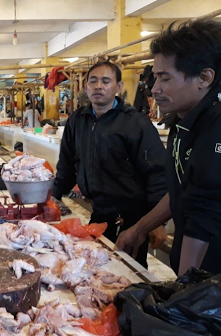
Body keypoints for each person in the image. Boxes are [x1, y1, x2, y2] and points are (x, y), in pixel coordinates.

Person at [116, 20, 221, 275]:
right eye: (155, 77)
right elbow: (181, 190)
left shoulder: (215, 127)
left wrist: (184, 293)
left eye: (165, 78)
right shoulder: (182, 122)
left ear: (204, 78)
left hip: (211, 286)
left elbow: (204, 216)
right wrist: (140, 229)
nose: (154, 89)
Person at [52, 61, 168, 268]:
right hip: (99, 212)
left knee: (130, 271)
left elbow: (157, 173)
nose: (98, 86)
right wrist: (52, 197)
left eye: (106, 81)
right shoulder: (77, 121)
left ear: (118, 87)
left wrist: (157, 221)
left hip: (132, 217)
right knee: (96, 268)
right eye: (93, 81)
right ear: (85, 86)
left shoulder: (136, 123)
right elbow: (67, 165)